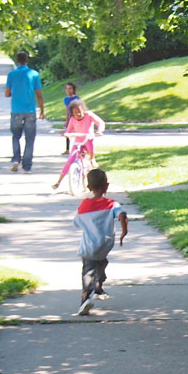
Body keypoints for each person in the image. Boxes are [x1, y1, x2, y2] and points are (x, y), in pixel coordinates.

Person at [72, 169, 128, 316]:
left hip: (89, 245)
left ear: (88, 187)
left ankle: (85, 298)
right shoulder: (112, 204)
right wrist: (124, 232)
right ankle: (98, 286)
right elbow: (122, 215)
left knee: (88, 270)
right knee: (102, 264)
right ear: (106, 186)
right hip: (105, 245)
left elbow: (76, 222)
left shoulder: (84, 205)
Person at [5, 51, 44, 173]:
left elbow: (7, 93)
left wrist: (14, 92)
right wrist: (42, 110)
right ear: (27, 60)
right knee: (30, 138)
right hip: (30, 110)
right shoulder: (34, 74)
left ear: (17, 61)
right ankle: (27, 166)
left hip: (16, 110)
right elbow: (39, 94)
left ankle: (16, 158)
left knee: (16, 136)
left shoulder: (12, 74)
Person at [52, 99, 105, 190]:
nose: (78, 114)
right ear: (72, 113)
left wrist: (99, 131)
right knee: (70, 160)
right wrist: (66, 134)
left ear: (83, 110)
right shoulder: (72, 120)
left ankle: (92, 159)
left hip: (87, 138)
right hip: (77, 141)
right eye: (75, 112)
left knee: (90, 144)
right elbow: (68, 131)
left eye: (80, 112)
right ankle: (58, 182)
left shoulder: (89, 115)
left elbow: (100, 122)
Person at [61, 81, 80, 154]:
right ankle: (67, 149)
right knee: (68, 133)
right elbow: (67, 110)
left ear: (73, 89)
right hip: (70, 118)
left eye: (70, 88)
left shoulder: (76, 98)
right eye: (67, 89)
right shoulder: (66, 99)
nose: (68, 90)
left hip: (76, 117)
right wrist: (66, 120)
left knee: (78, 133)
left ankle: (80, 148)